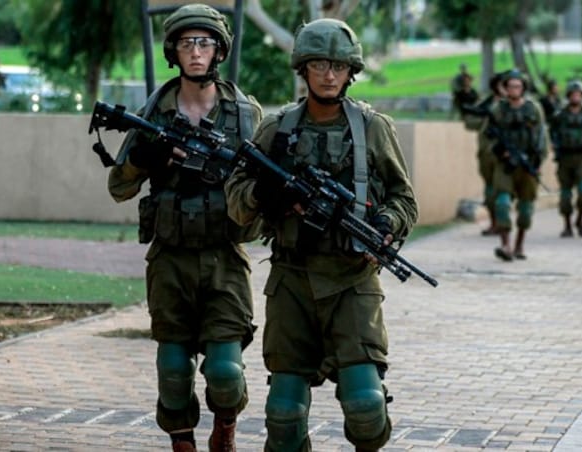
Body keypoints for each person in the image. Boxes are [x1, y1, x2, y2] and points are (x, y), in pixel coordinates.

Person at [224, 18, 418, 451]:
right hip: (292, 279)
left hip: (352, 281)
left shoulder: (372, 128)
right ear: (303, 69)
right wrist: (265, 194)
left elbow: (405, 197)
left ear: (351, 72)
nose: (329, 75)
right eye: (318, 65)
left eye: (338, 66)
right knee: (284, 414)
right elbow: (237, 200)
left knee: (366, 406)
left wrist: (386, 226)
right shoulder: (278, 129)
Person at [106, 4, 263, 451]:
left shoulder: (246, 115)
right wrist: (144, 159)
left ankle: (225, 427)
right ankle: (182, 443)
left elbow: (265, 185)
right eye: (187, 42)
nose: (196, 51)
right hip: (170, 258)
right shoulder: (153, 114)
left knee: (225, 372)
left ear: (219, 51)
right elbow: (118, 186)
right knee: (173, 369)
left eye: (205, 42)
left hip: (224, 259)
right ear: (173, 51)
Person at [486, 69, 548, 261]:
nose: (514, 89)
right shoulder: (498, 110)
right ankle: (505, 245)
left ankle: (519, 245)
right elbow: (488, 137)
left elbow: (541, 138)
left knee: (525, 210)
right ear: (505, 88)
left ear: (523, 88)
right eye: (511, 86)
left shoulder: (533, 109)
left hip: (527, 164)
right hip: (505, 166)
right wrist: (500, 152)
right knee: (502, 204)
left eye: (518, 86)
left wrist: (537, 162)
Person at [549, 80, 582, 237]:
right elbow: (552, 133)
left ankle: (580, 219)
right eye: (573, 94)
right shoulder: (560, 116)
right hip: (565, 158)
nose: (576, 97)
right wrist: (553, 145)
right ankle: (567, 225)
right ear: (568, 96)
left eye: (579, 94)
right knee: (565, 196)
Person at [462, 71, 506, 235]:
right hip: (486, 151)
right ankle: (495, 223)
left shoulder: (512, 105)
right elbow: (469, 122)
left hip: (506, 153)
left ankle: (504, 224)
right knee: (490, 190)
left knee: (504, 190)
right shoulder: (485, 104)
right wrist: (486, 121)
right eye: (502, 85)